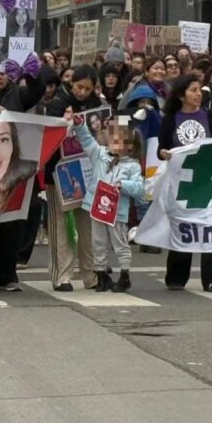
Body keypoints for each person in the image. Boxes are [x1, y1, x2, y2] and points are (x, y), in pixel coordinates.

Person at [0, 58, 46, 292]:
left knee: (9, 223)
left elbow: (38, 92)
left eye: (2, 73)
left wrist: (31, 74)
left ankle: (7, 276)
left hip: (10, 166)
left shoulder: (18, 94)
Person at [158, 75, 212, 292]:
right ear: (181, 95)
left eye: (199, 90)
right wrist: (165, 154)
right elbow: (162, 147)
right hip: (181, 183)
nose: (198, 94)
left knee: (210, 227)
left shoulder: (209, 116)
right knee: (183, 226)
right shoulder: (171, 118)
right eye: (193, 90)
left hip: (207, 181)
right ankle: (177, 277)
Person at [70, 114, 144, 292]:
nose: (116, 143)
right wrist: (80, 125)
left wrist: (123, 185)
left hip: (117, 211)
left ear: (130, 147)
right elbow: (87, 140)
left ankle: (124, 275)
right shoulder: (100, 154)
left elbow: (140, 189)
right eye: (114, 138)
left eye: (122, 141)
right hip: (98, 208)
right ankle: (100, 275)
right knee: (97, 242)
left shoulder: (132, 166)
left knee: (120, 243)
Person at [45, 65, 101, 291]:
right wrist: (64, 122)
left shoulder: (96, 103)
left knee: (88, 226)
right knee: (60, 225)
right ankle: (62, 275)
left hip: (88, 170)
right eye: (79, 87)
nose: (82, 92)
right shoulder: (58, 102)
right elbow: (48, 135)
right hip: (60, 170)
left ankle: (92, 274)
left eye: (87, 88)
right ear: (71, 83)